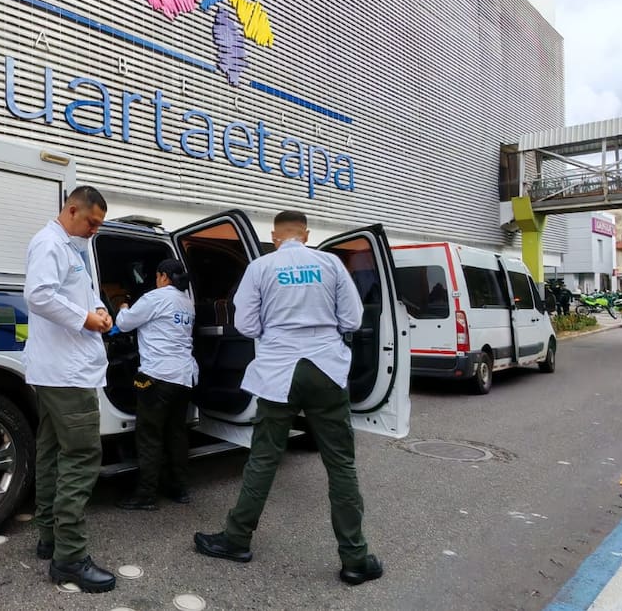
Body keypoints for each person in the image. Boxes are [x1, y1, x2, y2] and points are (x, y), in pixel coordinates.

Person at [192, 210, 383, 586]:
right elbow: (353, 319)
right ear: (307, 235)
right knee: (341, 465)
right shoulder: (330, 263)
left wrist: (276, 329)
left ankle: (236, 539)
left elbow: (245, 324)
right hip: (326, 369)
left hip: (279, 371)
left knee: (263, 458)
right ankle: (355, 558)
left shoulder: (261, 267)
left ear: (275, 236)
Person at [23, 185, 116, 593]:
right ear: (73, 209)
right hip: (68, 373)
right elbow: (39, 295)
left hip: (59, 370)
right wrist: (86, 319)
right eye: (92, 222)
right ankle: (71, 559)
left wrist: (100, 311)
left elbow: (81, 293)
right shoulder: (50, 243)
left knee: (51, 452)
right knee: (80, 457)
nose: (95, 229)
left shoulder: (73, 247)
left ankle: (49, 537)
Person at [113, 258, 198, 511]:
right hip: (185, 376)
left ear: (162, 276)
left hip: (158, 376)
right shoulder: (187, 303)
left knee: (149, 435)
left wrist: (123, 305)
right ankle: (179, 487)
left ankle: (146, 494)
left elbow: (124, 323)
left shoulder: (155, 297)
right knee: (176, 433)